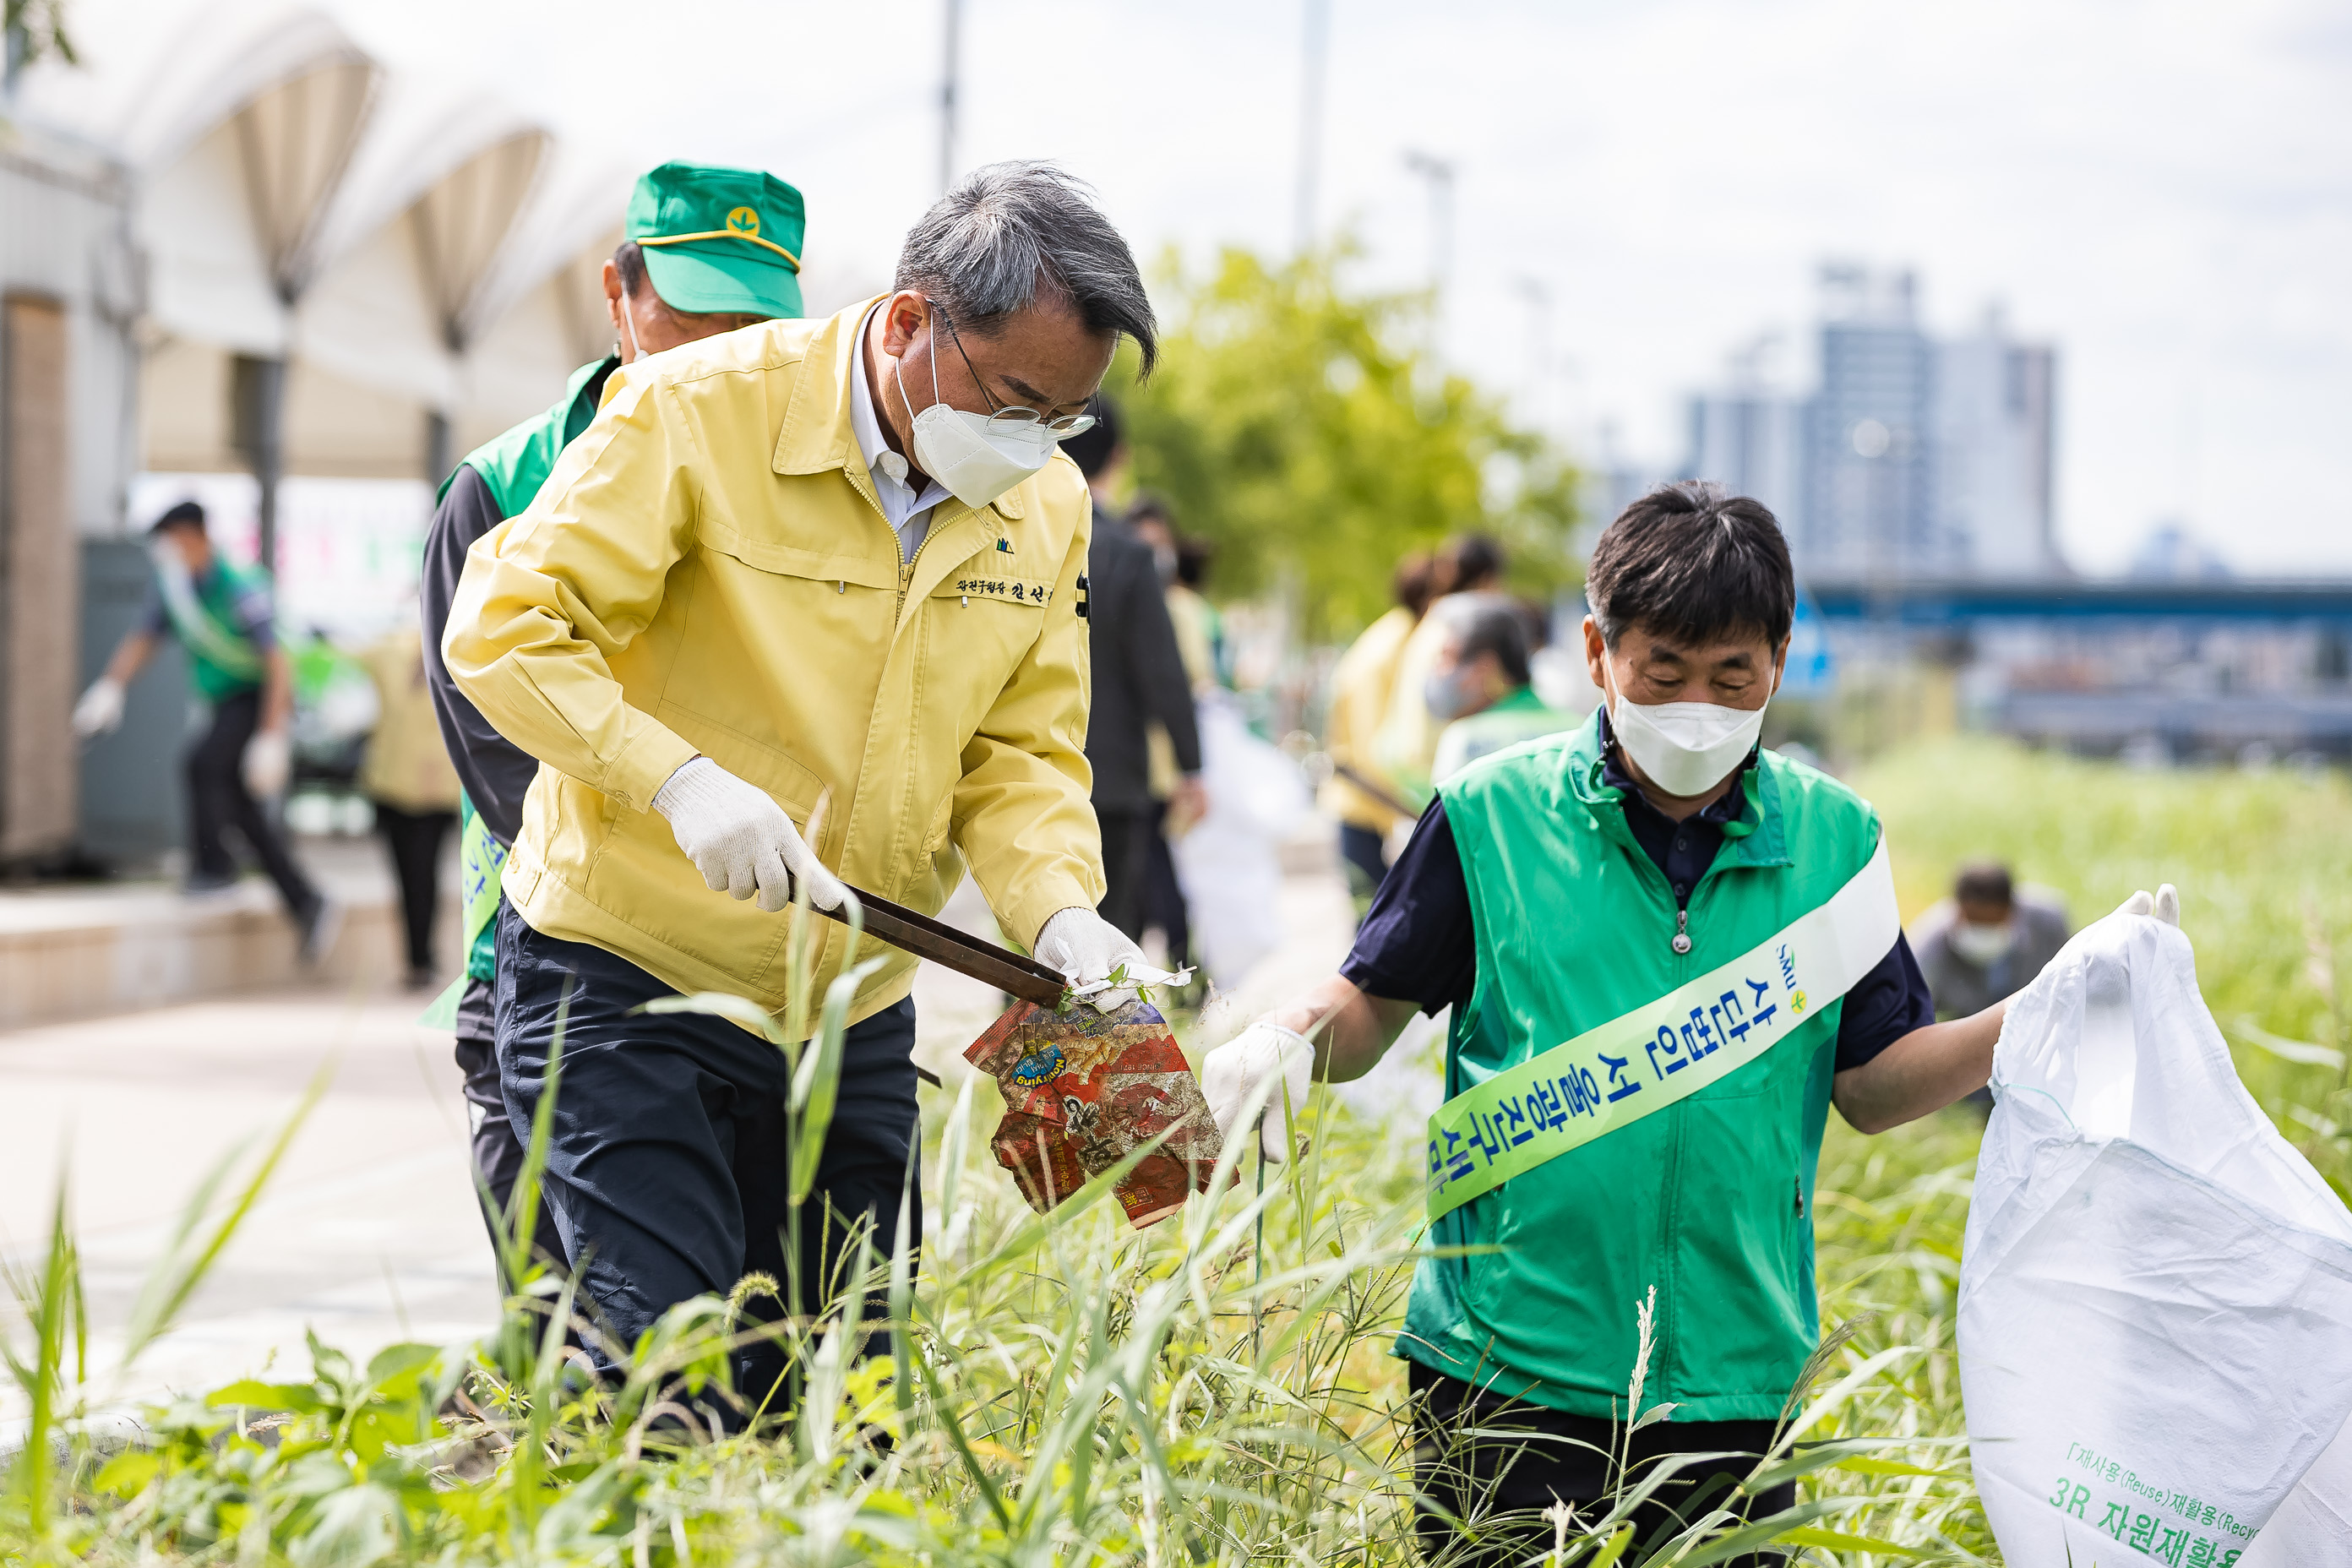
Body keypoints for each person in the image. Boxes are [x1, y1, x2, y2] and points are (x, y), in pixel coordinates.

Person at [1198, 482, 2178, 1565]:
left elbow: (1876, 1081)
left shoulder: (1834, 843)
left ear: (1781, 657)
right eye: (1663, 672)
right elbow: (1366, 1008)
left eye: (1733, 677)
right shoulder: (1489, 819)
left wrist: (2037, 1009)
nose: (1697, 707)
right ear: (1596, 650)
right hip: (1504, 1359)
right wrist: (1283, 1039)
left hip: (1734, 1366)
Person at [443, 161, 1163, 1413]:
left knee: (845, 1401)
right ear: (906, 325)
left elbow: (1022, 751)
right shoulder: (694, 412)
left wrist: (1060, 914)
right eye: (1014, 399)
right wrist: (676, 783)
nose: (1036, 443)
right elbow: (505, 629)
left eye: (1066, 419)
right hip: (626, 971)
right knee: (674, 1388)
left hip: (849, 999)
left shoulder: (1042, 505)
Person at [420, 162, 807, 1279]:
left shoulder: (803, 491)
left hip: (760, 953)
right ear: (617, 294)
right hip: (554, 954)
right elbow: (496, 745)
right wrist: (676, 809)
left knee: (764, 1325)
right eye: (686, 314)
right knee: (571, 1318)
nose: (710, 352)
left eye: (748, 324)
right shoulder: (505, 483)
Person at [73, 500, 334, 956]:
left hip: (255, 698)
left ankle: (215, 870)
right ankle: (306, 900)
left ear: (193, 536)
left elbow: (278, 663)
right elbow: (145, 638)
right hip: (223, 701)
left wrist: (272, 735)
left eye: (170, 541)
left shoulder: (240, 585)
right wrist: (110, 688)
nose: (165, 551)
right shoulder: (175, 588)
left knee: (202, 763)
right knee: (239, 805)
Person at [1060, 399, 1206, 944]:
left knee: (1029, 933)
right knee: (1108, 930)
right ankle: (1085, 1034)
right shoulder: (1127, 554)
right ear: (1117, 459)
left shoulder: (1013, 536)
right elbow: (1162, 673)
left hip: (1022, 772)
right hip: (1113, 776)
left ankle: (1024, 1031)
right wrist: (1192, 767)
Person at [1322, 554, 1438, 909]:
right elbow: (1370, 748)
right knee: (1373, 930)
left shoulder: (1402, 638)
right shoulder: (1387, 650)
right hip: (1366, 807)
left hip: (1375, 806)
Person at [1373, 533, 1506, 823]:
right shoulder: (1468, 624)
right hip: (1436, 778)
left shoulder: (1432, 620)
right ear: (1488, 578)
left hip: (1406, 776)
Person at [358, 620, 461, 989]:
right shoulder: (399, 650)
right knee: (411, 878)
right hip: (397, 784)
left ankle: (421, 959)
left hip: (428, 788)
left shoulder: (454, 650)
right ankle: (417, 959)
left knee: (420, 877)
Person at [1422, 593, 1576, 789]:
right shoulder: (1576, 730)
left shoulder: (1464, 740)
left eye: (1447, 657)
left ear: (1485, 668)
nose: (1437, 670)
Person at [1912, 860, 2072, 1020]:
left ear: (2013, 908)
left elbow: (2070, 981)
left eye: (1993, 923)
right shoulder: (1930, 941)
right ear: (1957, 910)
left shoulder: (2048, 922)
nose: (1984, 931)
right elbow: (1912, 1008)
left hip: (2037, 1017)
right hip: (1968, 1026)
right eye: (1975, 923)